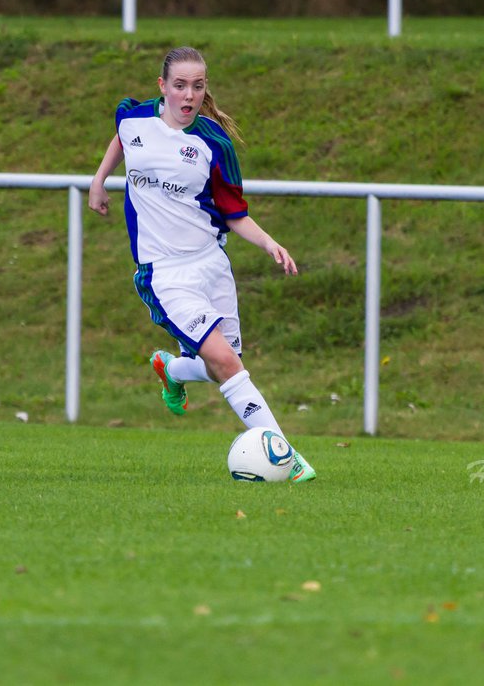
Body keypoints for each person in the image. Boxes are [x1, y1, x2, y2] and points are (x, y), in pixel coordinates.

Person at [89, 46, 316, 482]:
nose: (188, 95)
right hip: (164, 272)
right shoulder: (135, 117)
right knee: (229, 366)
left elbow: (234, 213)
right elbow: (122, 135)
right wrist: (99, 180)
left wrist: (269, 243)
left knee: (221, 366)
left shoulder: (213, 143)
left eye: (197, 86)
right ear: (163, 87)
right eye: (179, 86)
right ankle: (288, 458)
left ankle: (170, 368)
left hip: (211, 264)